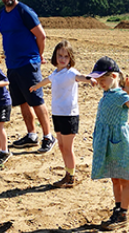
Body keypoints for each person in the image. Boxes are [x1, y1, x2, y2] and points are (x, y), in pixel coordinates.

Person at [0, 0, 55, 154]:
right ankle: (32, 135)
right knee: (22, 101)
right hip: (13, 65)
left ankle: (48, 136)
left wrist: (38, 56)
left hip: (28, 64)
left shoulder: (24, 11)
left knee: (36, 101)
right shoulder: (2, 13)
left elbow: (41, 36)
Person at [88, 57, 129, 229]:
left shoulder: (121, 94)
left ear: (113, 76)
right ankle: (118, 208)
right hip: (108, 141)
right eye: (98, 80)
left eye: (102, 79)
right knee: (115, 178)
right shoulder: (107, 94)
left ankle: (123, 214)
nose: (100, 83)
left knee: (124, 179)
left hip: (120, 142)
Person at [30, 40, 87, 187]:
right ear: (55, 56)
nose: (62, 59)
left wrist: (90, 79)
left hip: (69, 115)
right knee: (61, 146)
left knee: (68, 148)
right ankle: (67, 174)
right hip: (57, 114)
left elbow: (81, 77)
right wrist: (36, 86)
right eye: (59, 55)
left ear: (70, 59)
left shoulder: (71, 72)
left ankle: (70, 177)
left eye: (66, 56)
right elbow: (47, 80)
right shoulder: (56, 73)